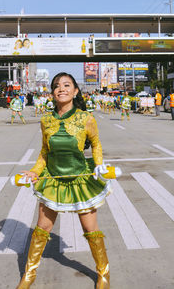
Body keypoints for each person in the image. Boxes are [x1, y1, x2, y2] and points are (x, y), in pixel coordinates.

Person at [16, 72, 112, 289]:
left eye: (67, 85)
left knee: (91, 229)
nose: (61, 89)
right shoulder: (46, 120)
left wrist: (99, 166)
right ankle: (28, 275)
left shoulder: (86, 118)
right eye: (57, 86)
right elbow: (44, 152)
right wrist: (34, 172)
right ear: (52, 92)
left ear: (75, 91)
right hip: (54, 180)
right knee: (41, 229)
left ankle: (103, 274)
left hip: (81, 180)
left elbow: (96, 144)